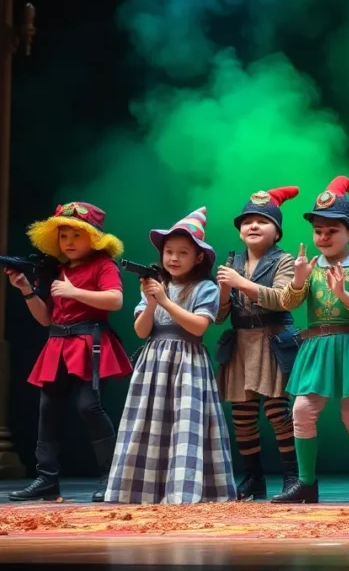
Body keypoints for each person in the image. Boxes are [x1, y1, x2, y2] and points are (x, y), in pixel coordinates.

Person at [105, 207, 235, 503]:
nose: (174, 258)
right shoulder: (156, 286)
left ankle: (184, 492)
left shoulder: (205, 288)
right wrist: (152, 302)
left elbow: (199, 327)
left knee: (186, 425)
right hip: (154, 362)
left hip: (188, 362)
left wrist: (164, 300)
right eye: (169, 252)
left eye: (183, 253)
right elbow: (141, 331)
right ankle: (144, 490)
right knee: (149, 424)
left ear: (198, 257)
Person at [7, 202, 132, 502]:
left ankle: (111, 477)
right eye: (64, 236)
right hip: (58, 343)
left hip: (89, 341)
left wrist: (73, 291)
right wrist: (26, 290)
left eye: (77, 235)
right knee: (48, 409)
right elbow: (46, 319)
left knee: (89, 406)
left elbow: (115, 300)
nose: (69, 242)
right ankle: (47, 479)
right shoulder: (57, 270)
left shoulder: (104, 265)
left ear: (94, 238)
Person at [272, 176, 349, 504]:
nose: (323, 237)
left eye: (332, 230)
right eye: (318, 230)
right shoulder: (310, 266)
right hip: (318, 347)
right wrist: (298, 281)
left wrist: (343, 294)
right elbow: (288, 303)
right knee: (302, 410)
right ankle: (306, 482)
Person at [216, 187, 300, 499]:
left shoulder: (284, 260)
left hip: (271, 340)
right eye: (247, 221)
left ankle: (293, 475)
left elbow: (282, 299)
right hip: (241, 343)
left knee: (278, 413)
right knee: (242, 416)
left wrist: (240, 283)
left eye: (263, 221)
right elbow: (219, 316)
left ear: (276, 232)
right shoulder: (232, 261)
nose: (253, 226)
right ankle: (253, 477)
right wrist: (225, 292)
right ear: (239, 230)